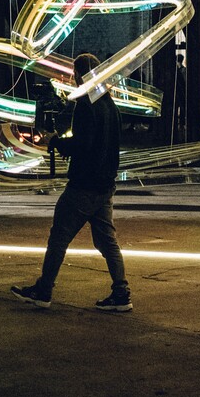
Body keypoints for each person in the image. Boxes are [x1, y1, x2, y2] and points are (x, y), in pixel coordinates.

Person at [10, 53, 131, 312]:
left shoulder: (87, 105)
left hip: (84, 185)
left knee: (59, 237)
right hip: (105, 185)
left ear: (80, 74)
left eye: (75, 74)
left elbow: (82, 145)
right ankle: (121, 293)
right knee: (107, 241)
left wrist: (54, 141)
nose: (73, 80)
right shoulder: (111, 105)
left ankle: (44, 290)